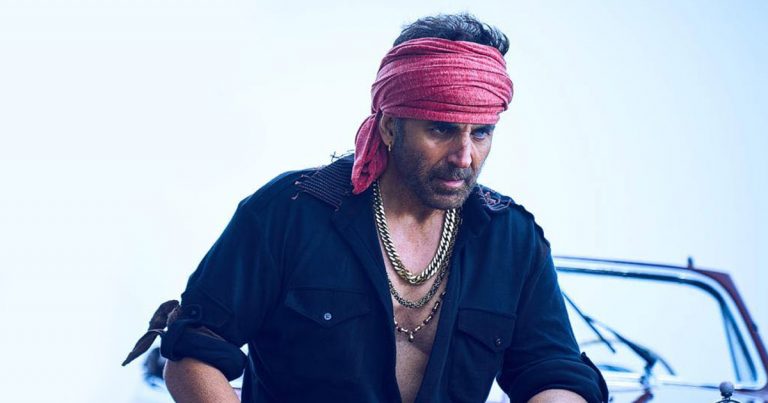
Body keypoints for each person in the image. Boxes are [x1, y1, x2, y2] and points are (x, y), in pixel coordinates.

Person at [126, 13, 608, 403]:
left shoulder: (511, 240)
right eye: (441, 129)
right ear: (389, 126)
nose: (465, 156)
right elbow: (194, 353)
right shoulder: (287, 214)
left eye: (481, 133)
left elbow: (552, 369)